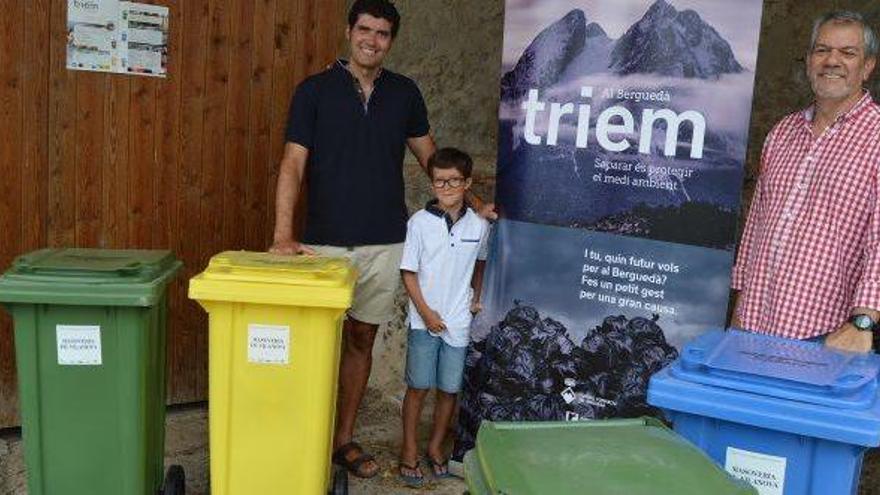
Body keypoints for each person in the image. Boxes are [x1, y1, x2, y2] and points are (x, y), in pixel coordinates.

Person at [268, 0, 494, 479]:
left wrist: (477, 207)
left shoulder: (405, 93)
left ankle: (342, 440)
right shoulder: (314, 92)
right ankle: (299, 433)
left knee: (361, 338)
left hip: (386, 242)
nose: (372, 40)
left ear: (392, 40)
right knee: (313, 344)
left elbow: (434, 163)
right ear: (349, 31)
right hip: (323, 243)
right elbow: (293, 164)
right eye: (364, 29)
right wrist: (283, 235)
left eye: (383, 33)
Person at [731, 10, 880, 353]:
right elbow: (757, 225)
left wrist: (862, 322)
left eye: (848, 53)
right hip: (754, 326)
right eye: (822, 50)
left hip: (826, 337)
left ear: (867, 66)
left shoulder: (876, 136)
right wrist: (739, 308)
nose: (832, 61)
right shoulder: (782, 133)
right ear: (810, 60)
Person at [397, 148, 489, 487]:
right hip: (425, 319)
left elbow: (480, 264)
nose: (446, 187)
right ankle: (408, 449)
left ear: (466, 183)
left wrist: (476, 298)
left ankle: (436, 448)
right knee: (419, 386)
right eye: (439, 181)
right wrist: (426, 312)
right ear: (432, 183)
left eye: (453, 181)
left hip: (458, 320)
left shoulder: (478, 226)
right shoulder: (419, 224)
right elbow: (408, 273)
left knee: (449, 389)